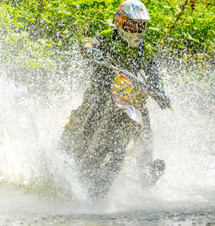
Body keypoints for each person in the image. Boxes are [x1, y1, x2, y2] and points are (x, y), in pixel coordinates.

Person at [61, 0, 170, 195]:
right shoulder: (107, 37)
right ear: (120, 22)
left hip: (126, 97)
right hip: (100, 93)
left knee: (143, 118)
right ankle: (66, 145)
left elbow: (154, 74)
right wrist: (92, 51)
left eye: (141, 25)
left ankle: (145, 169)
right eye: (133, 25)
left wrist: (160, 93)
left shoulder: (144, 49)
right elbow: (88, 44)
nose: (137, 30)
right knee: (88, 110)